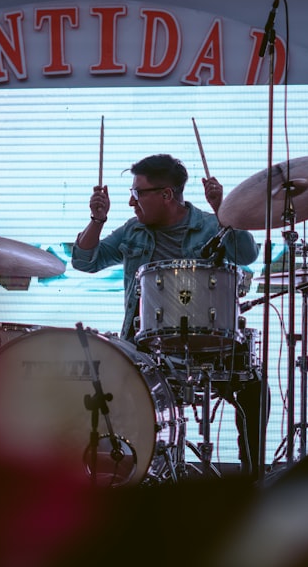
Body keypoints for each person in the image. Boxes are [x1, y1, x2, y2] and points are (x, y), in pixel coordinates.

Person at [71, 153, 265, 479]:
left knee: (254, 389)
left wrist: (224, 210)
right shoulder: (133, 231)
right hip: (146, 348)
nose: (131, 202)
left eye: (137, 194)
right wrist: (97, 219)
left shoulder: (208, 225)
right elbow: (85, 261)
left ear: (166, 195)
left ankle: (252, 481)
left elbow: (247, 253)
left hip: (210, 348)